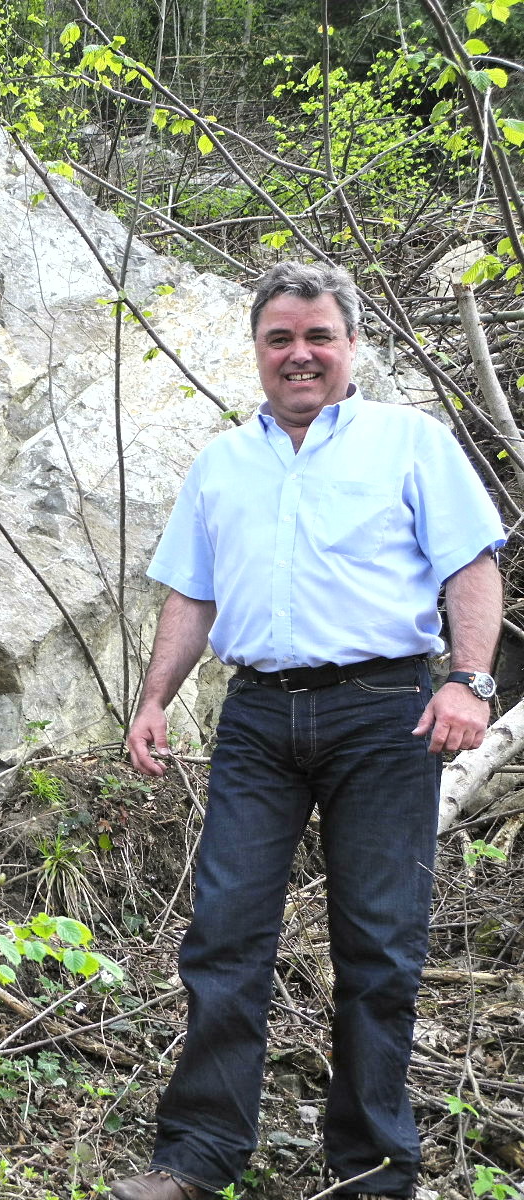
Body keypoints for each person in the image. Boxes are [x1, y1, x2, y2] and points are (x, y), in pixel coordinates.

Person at [109, 261, 504, 1200]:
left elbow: (472, 565)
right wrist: (155, 697)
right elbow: (192, 594)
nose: (300, 354)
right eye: (280, 338)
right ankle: (198, 1157)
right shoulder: (222, 463)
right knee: (223, 934)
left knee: (380, 945)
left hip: (386, 713)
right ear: (257, 349)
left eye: (319, 336)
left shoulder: (412, 442)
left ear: (352, 344)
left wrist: (469, 681)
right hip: (257, 717)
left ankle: (372, 1171)